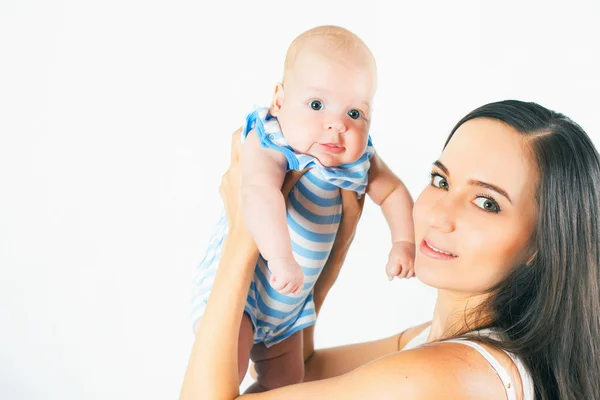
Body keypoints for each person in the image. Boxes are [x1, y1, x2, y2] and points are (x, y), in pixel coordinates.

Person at [182, 100, 600, 399]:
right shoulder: (433, 346)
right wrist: (338, 240)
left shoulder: (441, 377)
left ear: (541, 244)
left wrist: (244, 235)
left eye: (486, 202)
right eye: (440, 181)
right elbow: (297, 374)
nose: (439, 215)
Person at [190, 26, 414, 393]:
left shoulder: (360, 161)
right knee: (220, 375)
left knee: (287, 383)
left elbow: (392, 192)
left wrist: (403, 241)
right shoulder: (272, 140)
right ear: (278, 100)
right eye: (316, 105)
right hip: (242, 291)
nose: (337, 124)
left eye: (355, 113)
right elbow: (258, 192)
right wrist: (281, 259)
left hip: (288, 311)